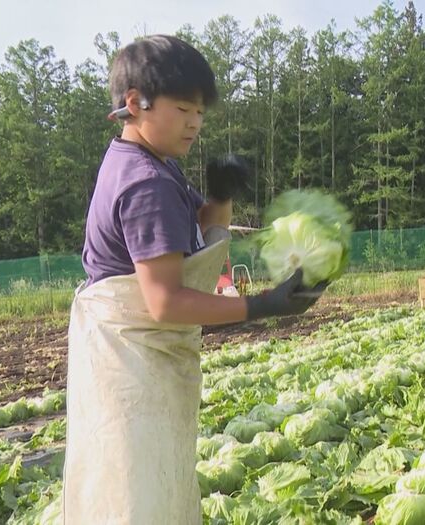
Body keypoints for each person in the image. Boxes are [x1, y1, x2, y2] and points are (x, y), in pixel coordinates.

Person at [63, 35, 323, 524]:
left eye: (201, 111)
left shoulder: (144, 162)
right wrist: (266, 305)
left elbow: (187, 240)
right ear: (134, 103)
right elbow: (163, 302)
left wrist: (220, 198)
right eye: (183, 108)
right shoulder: (148, 182)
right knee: (138, 497)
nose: (195, 123)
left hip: (127, 356)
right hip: (133, 361)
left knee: (131, 489)